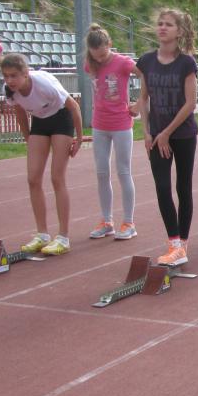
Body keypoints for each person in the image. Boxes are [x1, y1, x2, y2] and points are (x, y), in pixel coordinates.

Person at [0, 53, 84, 255]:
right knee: (33, 178)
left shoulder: (44, 84)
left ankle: (63, 237)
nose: (10, 81)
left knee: (57, 177)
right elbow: (20, 111)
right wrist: (28, 137)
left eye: (14, 76)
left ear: (26, 74)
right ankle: (42, 234)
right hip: (39, 121)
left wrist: (79, 139)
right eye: (6, 76)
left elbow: (74, 106)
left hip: (61, 118)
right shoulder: (10, 91)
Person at [136, 8, 198, 267]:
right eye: (160, 23)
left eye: (168, 24)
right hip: (156, 135)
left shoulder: (186, 63)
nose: (162, 28)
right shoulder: (146, 61)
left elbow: (190, 103)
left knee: (182, 188)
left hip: (182, 135)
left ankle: (182, 243)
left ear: (179, 31)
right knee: (162, 188)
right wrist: (147, 131)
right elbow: (143, 98)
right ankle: (173, 243)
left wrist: (167, 133)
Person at [85, 24, 139, 241]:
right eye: (95, 56)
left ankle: (129, 222)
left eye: (103, 55)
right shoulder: (90, 64)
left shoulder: (122, 62)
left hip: (121, 124)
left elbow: (145, 76)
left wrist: (140, 102)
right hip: (99, 123)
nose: (100, 60)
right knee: (101, 172)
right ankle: (107, 221)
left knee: (123, 171)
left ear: (110, 46)